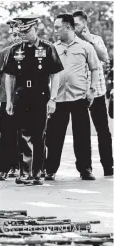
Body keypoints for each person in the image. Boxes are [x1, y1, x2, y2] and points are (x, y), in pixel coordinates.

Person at [4, 15, 63, 185]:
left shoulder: (48, 48)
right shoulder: (15, 50)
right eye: (20, 31)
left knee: (39, 135)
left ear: (35, 29)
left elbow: (55, 74)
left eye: (26, 31)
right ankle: (24, 172)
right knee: (22, 135)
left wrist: (53, 99)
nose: (23, 34)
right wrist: (8, 100)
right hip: (22, 96)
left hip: (41, 95)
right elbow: (9, 76)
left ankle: (37, 172)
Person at [44, 13, 99, 181]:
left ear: (67, 27)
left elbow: (94, 68)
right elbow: (48, 73)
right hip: (59, 98)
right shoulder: (53, 48)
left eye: (57, 27)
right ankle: (50, 169)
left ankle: (85, 169)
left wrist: (92, 89)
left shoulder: (85, 47)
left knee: (82, 136)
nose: (55, 31)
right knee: (54, 136)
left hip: (79, 98)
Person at [73, 10, 113, 176]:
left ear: (84, 24)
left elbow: (105, 58)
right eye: (72, 25)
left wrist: (90, 40)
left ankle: (108, 166)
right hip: (79, 93)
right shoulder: (71, 42)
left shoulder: (96, 39)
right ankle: (85, 169)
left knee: (102, 130)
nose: (74, 28)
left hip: (97, 91)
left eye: (77, 24)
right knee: (81, 132)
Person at [0, 19, 21, 181]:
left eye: (19, 34)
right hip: (5, 100)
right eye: (14, 34)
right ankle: (3, 168)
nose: (16, 37)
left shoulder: (32, 52)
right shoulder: (5, 52)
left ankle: (18, 167)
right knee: (6, 135)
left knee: (21, 135)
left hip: (24, 100)